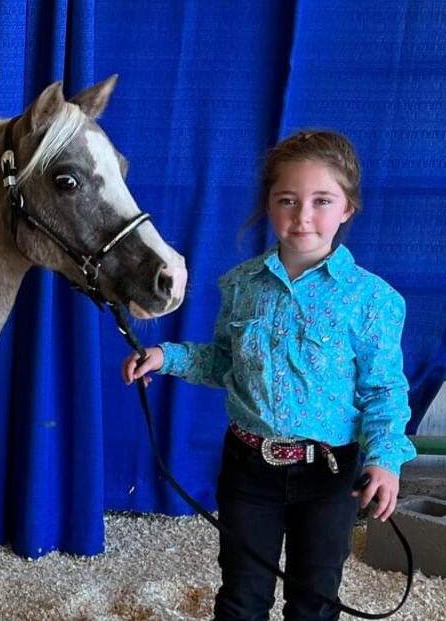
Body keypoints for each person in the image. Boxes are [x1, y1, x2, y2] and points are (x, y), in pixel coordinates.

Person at [122, 130, 415, 621]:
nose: (303, 216)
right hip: (248, 469)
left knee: (315, 598)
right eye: (288, 200)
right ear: (268, 205)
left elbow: (384, 391)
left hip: (328, 475)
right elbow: (224, 362)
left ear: (347, 208)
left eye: (322, 201)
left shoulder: (373, 301)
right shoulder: (241, 285)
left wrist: (386, 460)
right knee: (241, 595)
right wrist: (164, 357)